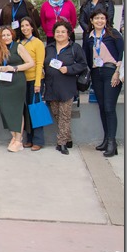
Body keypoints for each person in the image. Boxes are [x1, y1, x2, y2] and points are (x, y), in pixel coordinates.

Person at [43, 21, 87, 155]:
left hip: (67, 86)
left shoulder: (75, 48)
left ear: (68, 34)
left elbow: (82, 65)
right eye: (57, 32)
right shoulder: (49, 48)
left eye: (63, 32)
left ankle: (61, 143)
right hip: (51, 86)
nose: (60, 34)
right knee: (56, 114)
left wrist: (68, 69)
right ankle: (68, 138)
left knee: (65, 116)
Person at [83, 10, 123, 158]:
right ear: (92, 21)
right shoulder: (89, 37)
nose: (99, 21)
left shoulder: (113, 34)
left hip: (111, 72)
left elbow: (122, 54)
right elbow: (86, 56)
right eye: (96, 18)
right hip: (96, 73)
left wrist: (117, 72)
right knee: (101, 107)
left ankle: (112, 143)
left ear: (106, 20)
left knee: (109, 107)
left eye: (102, 18)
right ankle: (106, 139)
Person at [0, 26, 34, 152]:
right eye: (3, 35)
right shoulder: (0, 48)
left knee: (17, 110)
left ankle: (18, 140)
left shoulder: (18, 46)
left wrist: (14, 68)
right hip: (4, 82)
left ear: (12, 35)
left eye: (8, 35)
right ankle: (14, 136)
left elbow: (30, 63)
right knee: (5, 109)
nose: (6, 37)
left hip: (17, 81)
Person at [19, 17, 46, 151]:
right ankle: (28, 138)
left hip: (35, 80)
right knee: (26, 112)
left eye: (27, 25)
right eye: (22, 26)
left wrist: (37, 83)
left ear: (32, 27)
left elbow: (40, 63)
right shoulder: (19, 43)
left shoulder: (38, 43)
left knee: (35, 110)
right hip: (22, 81)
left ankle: (38, 140)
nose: (24, 28)